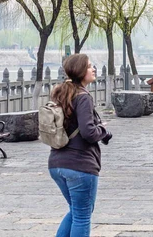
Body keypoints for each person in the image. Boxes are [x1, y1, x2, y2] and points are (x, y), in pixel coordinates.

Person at [48, 53, 112, 237]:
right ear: (80, 71)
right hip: (79, 165)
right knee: (82, 215)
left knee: (77, 211)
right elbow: (88, 132)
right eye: (90, 66)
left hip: (57, 163)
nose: (93, 69)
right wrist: (104, 131)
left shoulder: (61, 93)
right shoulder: (83, 96)